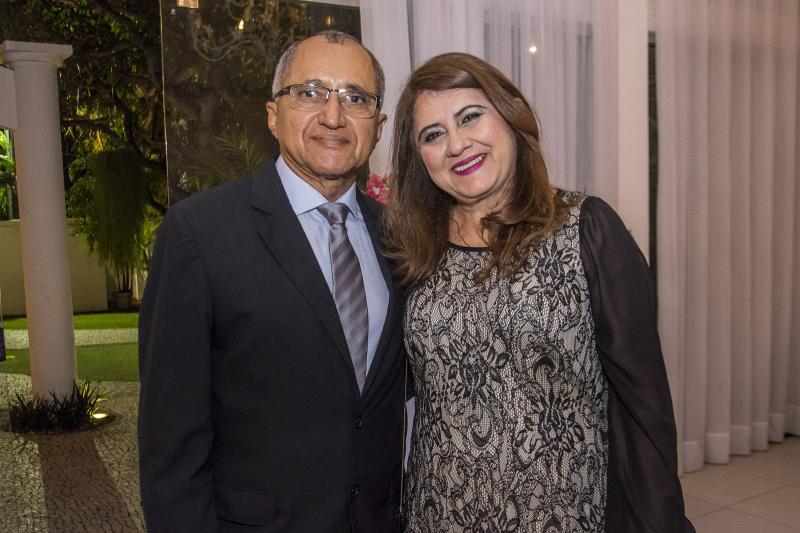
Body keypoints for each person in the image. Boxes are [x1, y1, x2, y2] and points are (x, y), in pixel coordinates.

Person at [383, 52, 695, 533]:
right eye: (433, 134)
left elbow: (644, 406)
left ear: (510, 114)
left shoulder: (586, 230)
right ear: (419, 158)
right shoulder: (413, 250)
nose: (457, 144)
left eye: (470, 116)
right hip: (438, 515)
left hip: (565, 515)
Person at [138, 31, 406, 533]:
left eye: (356, 98)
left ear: (379, 125)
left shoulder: (399, 238)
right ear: (272, 115)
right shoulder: (200, 234)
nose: (333, 116)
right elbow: (170, 442)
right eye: (310, 93)